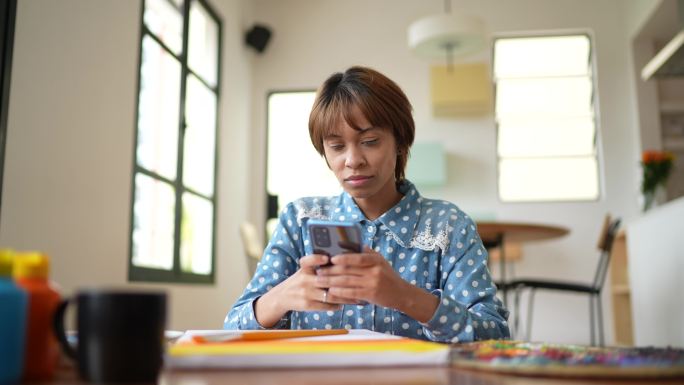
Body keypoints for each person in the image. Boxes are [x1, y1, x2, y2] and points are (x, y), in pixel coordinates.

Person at [225, 66, 510, 342]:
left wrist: (405, 296)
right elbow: (231, 329)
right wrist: (282, 296)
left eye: (370, 141)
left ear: (400, 142)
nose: (352, 160)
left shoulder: (448, 225)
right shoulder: (300, 220)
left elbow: (494, 334)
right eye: (336, 147)